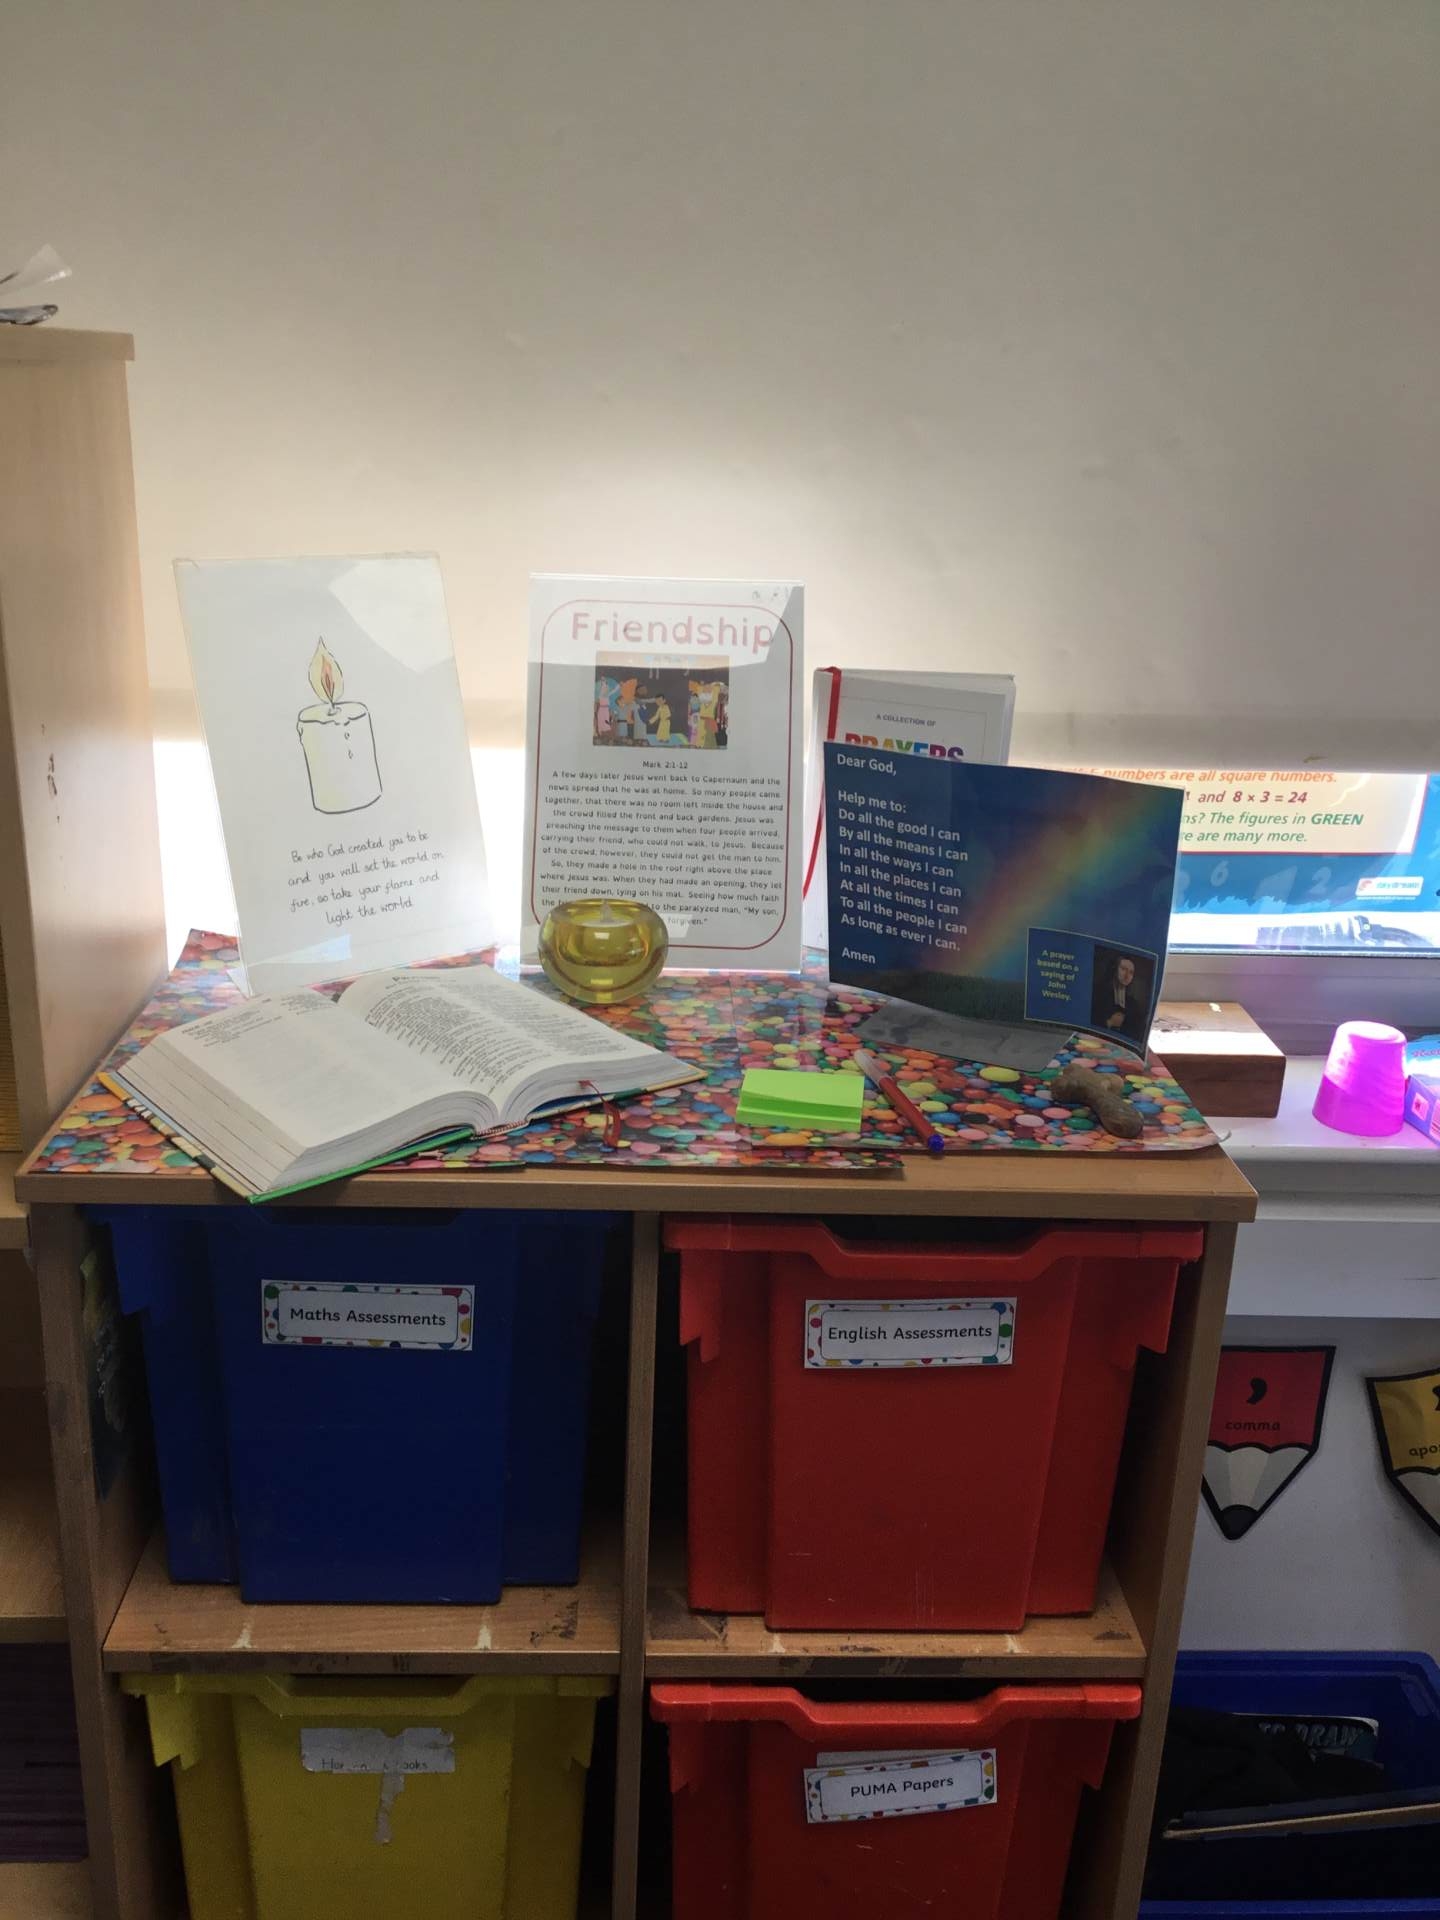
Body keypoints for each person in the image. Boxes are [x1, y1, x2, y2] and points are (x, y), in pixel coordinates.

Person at [1093, 951, 1149, 1042]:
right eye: (1123, 969)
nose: (1127, 976)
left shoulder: (1133, 1004)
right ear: (1114, 969)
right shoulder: (1098, 994)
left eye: (1131, 972)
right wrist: (1109, 1022)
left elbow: (1138, 1033)